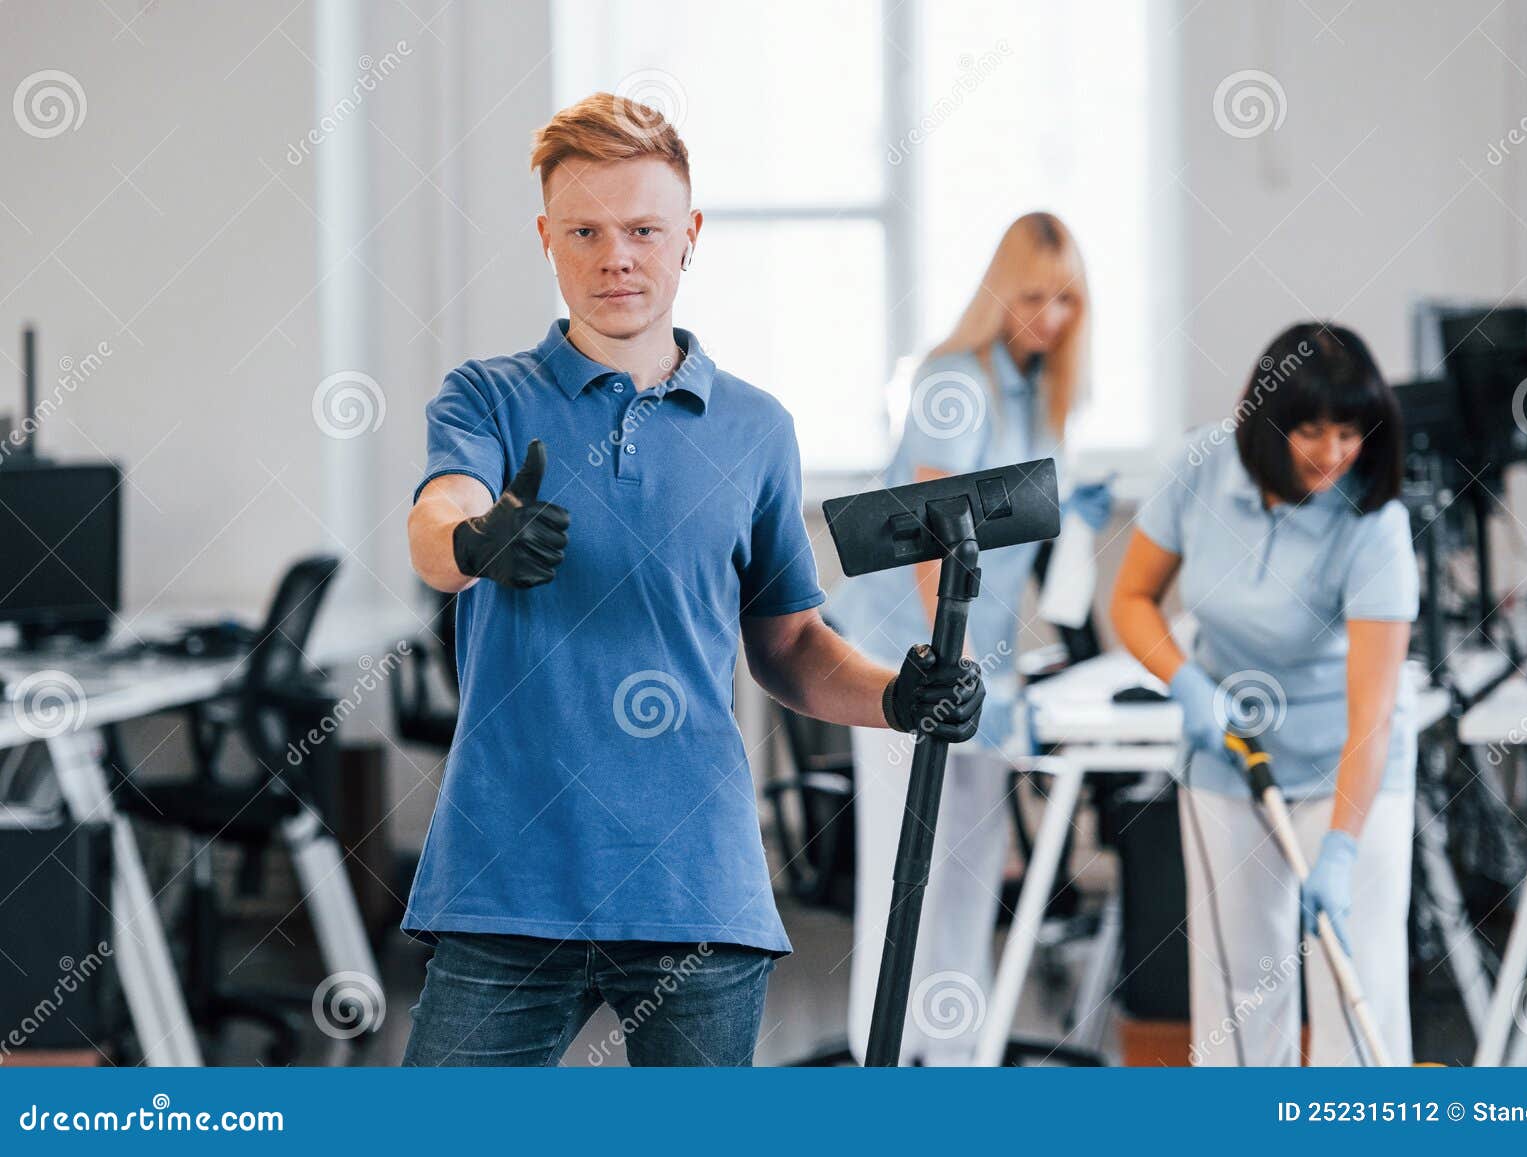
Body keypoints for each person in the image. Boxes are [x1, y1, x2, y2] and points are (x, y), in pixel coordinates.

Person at [400, 92, 986, 1067]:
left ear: (689, 236)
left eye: (641, 229)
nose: (614, 256)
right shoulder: (488, 397)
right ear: (546, 236)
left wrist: (899, 694)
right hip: (507, 877)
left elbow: (789, 646)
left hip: (696, 885)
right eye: (583, 230)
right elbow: (434, 521)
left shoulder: (755, 428)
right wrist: (474, 543)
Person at [827, 212, 1108, 1065]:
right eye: (1033, 297)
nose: (1051, 318)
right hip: (903, 654)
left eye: (1066, 301)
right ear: (999, 292)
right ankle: (882, 1055)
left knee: (971, 866)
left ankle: (954, 1054)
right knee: (904, 868)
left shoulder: (1038, 387)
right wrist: (941, 672)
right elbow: (935, 537)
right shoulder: (957, 378)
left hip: (980, 659)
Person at [1109, 322, 1419, 1066]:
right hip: (1230, 759)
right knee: (1240, 996)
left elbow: (1372, 717)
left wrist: (1342, 847)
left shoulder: (1375, 523)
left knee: (1360, 985)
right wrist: (1183, 679)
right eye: (1311, 429)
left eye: (1349, 430)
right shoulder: (1202, 465)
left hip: (1350, 766)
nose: (1333, 451)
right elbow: (1132, 599)